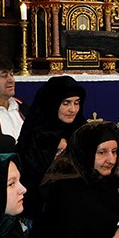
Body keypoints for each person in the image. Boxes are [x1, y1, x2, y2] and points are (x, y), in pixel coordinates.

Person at [17, 75, 87, 224]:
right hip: (43, 210)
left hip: (79, 204)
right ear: (52, 104)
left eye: (76, 103)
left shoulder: (81, 127)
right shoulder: (35, 135)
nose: (73, 109)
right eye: (66, 103)